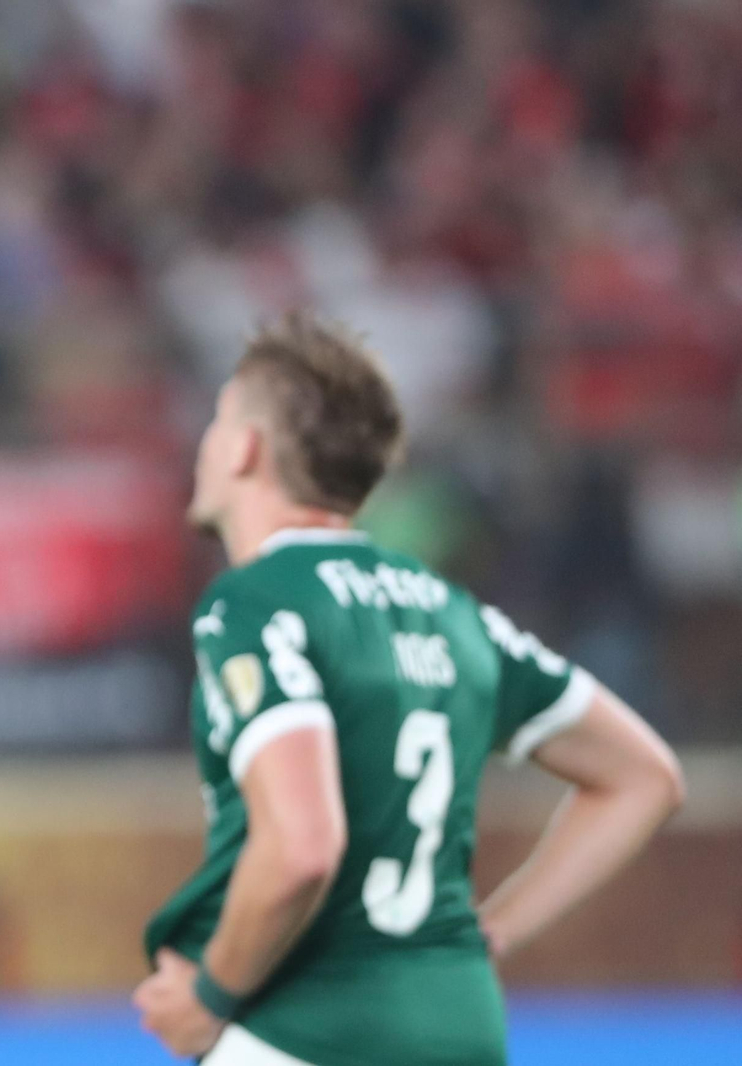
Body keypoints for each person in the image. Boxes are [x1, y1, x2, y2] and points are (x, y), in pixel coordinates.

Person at [133, 313, 684, 1065]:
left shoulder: (254, 603)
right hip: (462, 1022)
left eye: (220, 419)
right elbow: (645, 777)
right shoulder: (458, 615)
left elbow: (302, 846)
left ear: (246, 447)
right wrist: (491, 931)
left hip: (310, 1027)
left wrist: (210, 998)